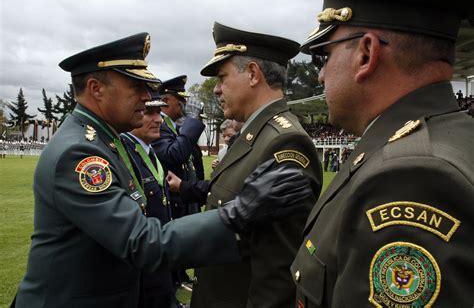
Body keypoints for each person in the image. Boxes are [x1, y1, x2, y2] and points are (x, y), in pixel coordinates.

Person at [12, 32, 314, 308]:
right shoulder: (79, 152)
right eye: (136, 86)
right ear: (96, 89)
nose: (147, 96)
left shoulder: (109, 141)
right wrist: (237, 214)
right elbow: (141, 241)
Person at [291, 0, 474, 307]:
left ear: (365, 54)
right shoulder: (451, 136)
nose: (320, 74)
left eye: (324, 56)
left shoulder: (411, 178)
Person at [191, 22, 323, 308]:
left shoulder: (283, 142)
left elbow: (278, 272)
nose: (216, 90)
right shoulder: (254, 135)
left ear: (252, 74)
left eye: (222, 77)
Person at [121, 95, 177, 308]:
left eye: (159, 113)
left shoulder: (148, 151)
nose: (158, 119)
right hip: (145, 265)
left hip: (159, 256)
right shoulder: (125, 154)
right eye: (149, 112)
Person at [152, 75, 205, 218]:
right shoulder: (158, 125)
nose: (185, 102)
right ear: (165, 101)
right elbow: (175, 154)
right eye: (180, 99)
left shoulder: (174, 126)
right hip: (174, 206)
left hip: (185, 200)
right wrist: (192, 120)